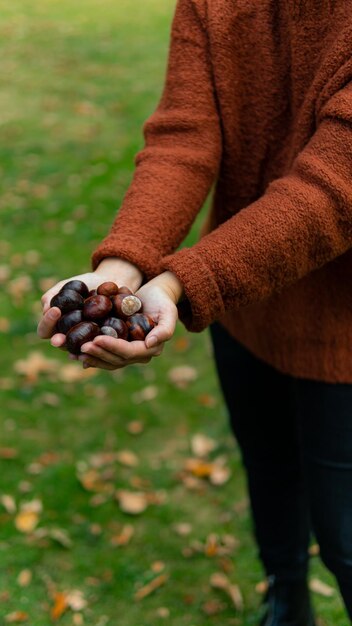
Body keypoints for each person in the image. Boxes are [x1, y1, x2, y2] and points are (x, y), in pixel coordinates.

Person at [38, 0, 352, 623]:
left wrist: (184, 278)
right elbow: (184, 139)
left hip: (341, 336)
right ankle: (285, 597)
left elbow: (331, 189)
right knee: (268, 472)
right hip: (245, 307)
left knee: (345, 535)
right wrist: (122, 268)